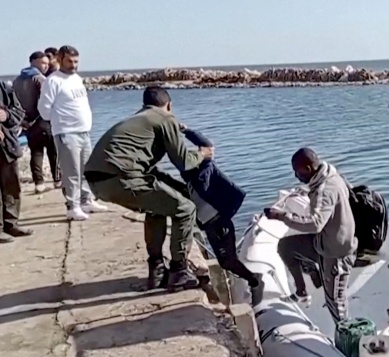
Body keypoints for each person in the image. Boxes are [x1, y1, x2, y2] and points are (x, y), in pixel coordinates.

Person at [84, 86, 212, 291]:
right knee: (185, 209)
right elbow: (184, 162)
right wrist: (202, 154)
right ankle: (179, 271)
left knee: (158, 207)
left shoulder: (137, 120)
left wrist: (178, 187)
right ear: (169, 105)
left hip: (96, 181)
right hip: (121, 178)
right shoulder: (164, 119)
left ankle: (157, 272)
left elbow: (149, 170)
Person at [265, 148, 357, 324]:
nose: (296, 176)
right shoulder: (333, 176)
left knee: (335, 302)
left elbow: (315, 224)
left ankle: (346, 335)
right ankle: (302, 291)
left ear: (308, 168)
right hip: (325, 240)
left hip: (337, 252)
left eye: (298, 172)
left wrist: (282, 216)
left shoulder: (323, 190)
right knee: (286, 247)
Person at [179, 124, 264, 303]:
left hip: (219, 223)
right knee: (225, 261)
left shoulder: (206, 167)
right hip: (209, 225)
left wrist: (185, 130)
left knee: (228, 261)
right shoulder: (188, 177)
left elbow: (207, 145)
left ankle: (255, 281)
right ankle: (254, 279)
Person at [38, 45, 108, 220]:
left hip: (83, 132)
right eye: (70, 61)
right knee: (72, 172)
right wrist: (60, 121)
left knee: (86, 169)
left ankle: (86, 200)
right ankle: (72, 206)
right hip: (66, 133)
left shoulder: (77, 78)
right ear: (60, 59)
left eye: (76, 61)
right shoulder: (53, 81)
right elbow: (44, 109)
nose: (74, 65)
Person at [13, 51, 61, 193]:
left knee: (36, 152)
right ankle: (57, 180)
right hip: (43, 120)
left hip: (26, 123)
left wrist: (23, 121)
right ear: (33, 61)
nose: (46, 66)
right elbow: (47, 100)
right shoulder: (40, 79)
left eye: (47, 63)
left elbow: (15, 104)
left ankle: (38, 183)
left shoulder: (17, 80)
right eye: (43, 63)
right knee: (53, 151)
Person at [0, 81, 30, 243]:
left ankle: (11, 224)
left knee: (12, 186)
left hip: (7, 147)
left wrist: (7, 115)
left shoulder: (5, 88)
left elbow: (19, 111)